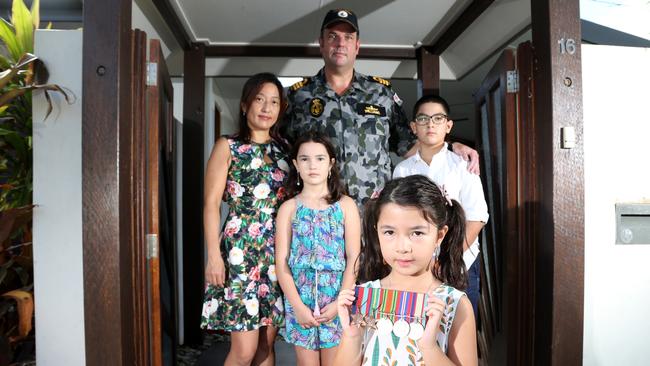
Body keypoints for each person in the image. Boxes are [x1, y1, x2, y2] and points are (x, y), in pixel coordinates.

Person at [284, 8, 480, 208]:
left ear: (357, 46)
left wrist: (451, 146)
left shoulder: (380, 94)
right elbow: (281, 148)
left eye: (348, 37)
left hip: (372, 212)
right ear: (322, 43)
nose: (341, 43)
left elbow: (411, 144)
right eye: (333, 36)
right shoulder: (300, 96)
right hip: (318, 213)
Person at [335, 175, 477, 365]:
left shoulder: (454, 305)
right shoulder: (365, 299)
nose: (403, 247)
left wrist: (429, 348)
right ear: (377, 232)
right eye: (389, 232)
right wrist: (352, 337)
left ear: (439, 236)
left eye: (417, 233)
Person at [201, 73, 290, 366]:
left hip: (277, 255)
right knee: (244, 350)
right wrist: (214, 256)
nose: (266, 108)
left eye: (274, 102)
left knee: (267, 345)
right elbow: (211, 204)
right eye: (259, 100)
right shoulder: (227, 146)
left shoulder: (286, 151)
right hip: (240, 254)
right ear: (244, 105)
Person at [393, 95, 488, 315]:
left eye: (437, 118)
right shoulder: (403, 170)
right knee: (419, 330)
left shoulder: (462, 165)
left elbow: (477, 217)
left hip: (458, 263)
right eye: (424, 119)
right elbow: (400, 220)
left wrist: (446, 259)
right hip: (416, 266)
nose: (430, 124)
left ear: (448, 125)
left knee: (459, 333)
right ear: (414, 127)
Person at [275, 131, 361, 366]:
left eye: (320, 158)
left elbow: (354, 256)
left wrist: (339, 304)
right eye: (305, 159)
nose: (312, 165)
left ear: (331, 163)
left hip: (337, 296)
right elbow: (281, 262)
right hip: (299, 298)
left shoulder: (345, 205)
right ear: (295, 164)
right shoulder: (288, 208)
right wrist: (298, 307)